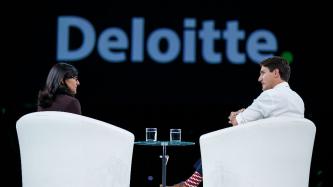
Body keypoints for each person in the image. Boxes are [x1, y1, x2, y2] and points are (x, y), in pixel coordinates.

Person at [169, 56, 304, 187]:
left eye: (263, 73)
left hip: (262, 158)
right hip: (291, 162)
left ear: (276, 73)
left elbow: (237, 122)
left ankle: (189, 184)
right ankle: (189, 184)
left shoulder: (269, 96)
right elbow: (273, 124)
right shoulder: (298, 100)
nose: (259, 79)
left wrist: (237, 115)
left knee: (215, 146)